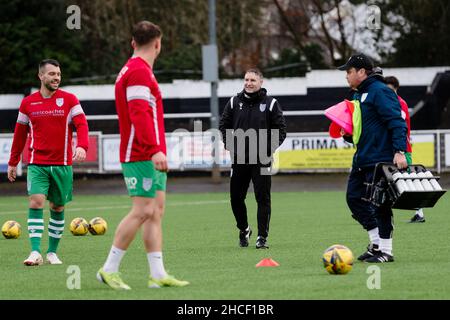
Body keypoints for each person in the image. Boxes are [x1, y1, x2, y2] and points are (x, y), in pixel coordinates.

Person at [97, 21, 189, 290]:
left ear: (133, 42)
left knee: (156, 212)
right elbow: (138, 112)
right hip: (140, 152)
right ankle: (108, 269)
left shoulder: (138, 69)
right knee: (143, 210)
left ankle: (157, 274)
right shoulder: (138, 71)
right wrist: (154, 149)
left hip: (147, 151)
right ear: (158, 44)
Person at [7, 59, 89, 266]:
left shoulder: (70, 100)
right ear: (41, 76)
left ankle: (52, 252)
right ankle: (35, 252)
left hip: (62, 164)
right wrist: (13, 161)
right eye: (52, 74)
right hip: (37, 163)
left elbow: (82, 124)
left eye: (58, 74)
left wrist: (82, 146)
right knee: (36, 201)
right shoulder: (28, 103)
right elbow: (19, 134)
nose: (56, 78)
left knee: (58, 207)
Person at [337, 53, 408, 263]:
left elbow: (397, 122)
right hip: (362, 158)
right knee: (354, 199)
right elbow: (363, 129)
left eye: (348, 72)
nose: (346, 76)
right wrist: (349, 134)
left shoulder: (381, 92)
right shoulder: (358, 95)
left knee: (380, 205)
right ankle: (375, 245)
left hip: (381, 158)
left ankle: (386, 250)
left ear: (361, 72)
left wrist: (399, 151)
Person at [219, 68, 286, 249]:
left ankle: (262, 237)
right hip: (239, 158)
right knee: (235, 198)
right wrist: (229, 143)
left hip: (262, 160)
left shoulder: (271, 104)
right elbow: (224, 125)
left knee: (262, 198)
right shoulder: (234, 102)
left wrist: (268, 148)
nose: (249, 83)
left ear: (260, 82)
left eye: (253, 80)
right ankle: (244, 229)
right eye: (246, 79)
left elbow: (280, 130)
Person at [384, 76, 425, 223]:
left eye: (389, 89)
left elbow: (399, 126)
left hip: (402, 149)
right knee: (397, 181)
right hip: (396, 148)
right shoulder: (395, 102)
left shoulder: (399, 103)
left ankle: (420, 213)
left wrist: (399, 149)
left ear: (396, 89)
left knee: (406, 181)